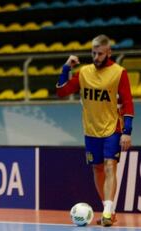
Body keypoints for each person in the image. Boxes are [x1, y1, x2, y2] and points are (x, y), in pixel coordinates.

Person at [56, 34, 134, 227]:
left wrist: (127, 131)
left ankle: (107, 212)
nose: (96, 57)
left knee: (109, 165)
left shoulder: (119, 72)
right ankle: (111, 211)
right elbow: (62, 91)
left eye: (100, 53)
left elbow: (128, 102)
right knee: (97, 169)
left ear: (108, 52)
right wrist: (67, 67)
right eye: (93, 53)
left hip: (112, 128)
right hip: (91, 130)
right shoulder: (84, 72)